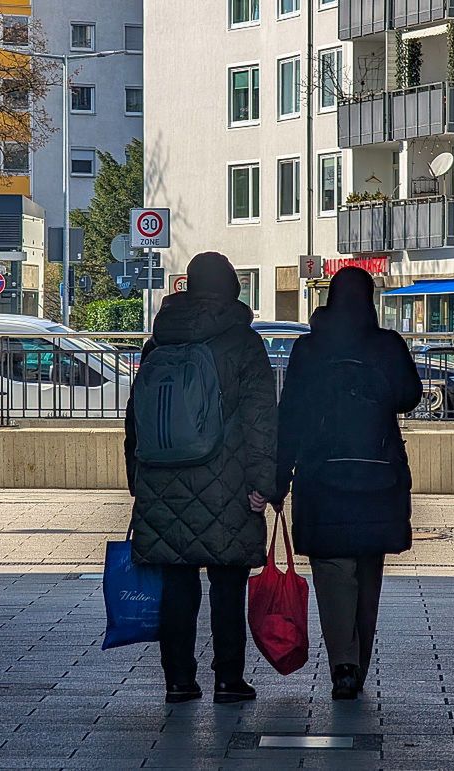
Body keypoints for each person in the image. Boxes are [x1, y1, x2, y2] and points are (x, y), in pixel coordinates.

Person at [125, 251, 277, 705]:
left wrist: (137, 479)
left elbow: (135, 419)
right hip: (227, 483)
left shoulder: (158, 343)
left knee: (176, 584)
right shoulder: (242, 343)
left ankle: (178, 680)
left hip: (162, 480)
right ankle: (228, 679)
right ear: (232, 288)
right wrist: (264, 483)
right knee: (227, 585)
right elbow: (261, 420)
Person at [271, 266, 423, 700]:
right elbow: (410, 396)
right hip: (378, 476)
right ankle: (360, 662)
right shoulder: (386, 345)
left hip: (322, 480)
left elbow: (292, 416)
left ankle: (344, 664)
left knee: (334, 569)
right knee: (368, 571)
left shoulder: (309, 349)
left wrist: (279, 479)